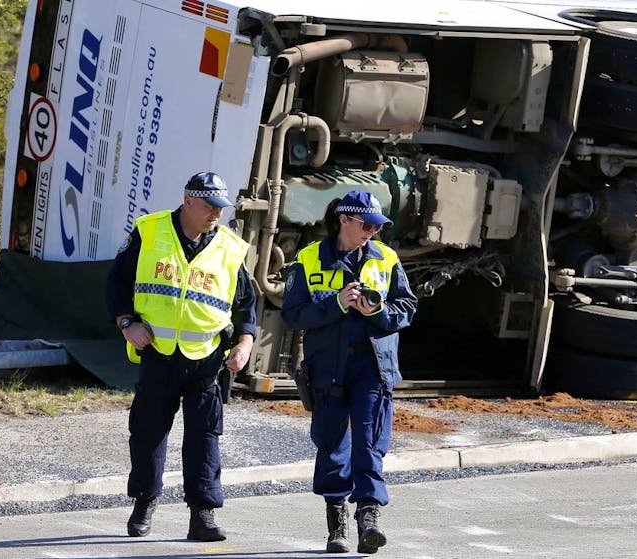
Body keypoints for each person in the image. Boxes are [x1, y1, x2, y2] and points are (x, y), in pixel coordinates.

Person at [106, 171, 256, 541]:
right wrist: (127, 322)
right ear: (188, 201)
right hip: (158, 352)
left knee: (204, 437)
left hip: (207, 359)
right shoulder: (149, 231)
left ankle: (202, 515)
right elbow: (116, 283)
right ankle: (144, 504)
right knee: (147, 433)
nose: (216, 214)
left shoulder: (230, 247)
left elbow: (246, 307)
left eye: (221, 208)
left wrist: (244, 344)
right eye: (209, 206)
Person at [281, 190, 418, 554]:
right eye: (367, 224)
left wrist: (377, 312)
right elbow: (293, 315)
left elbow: (407, 306)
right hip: (328, 367)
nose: (372, 231)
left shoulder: (386, 258)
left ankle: (369, 517)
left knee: (369, 441)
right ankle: (336, 519)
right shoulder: (308, 259)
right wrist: (337, 303)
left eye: (378, 225)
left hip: (373, 364)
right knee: (331, 444)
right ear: (344, 220)